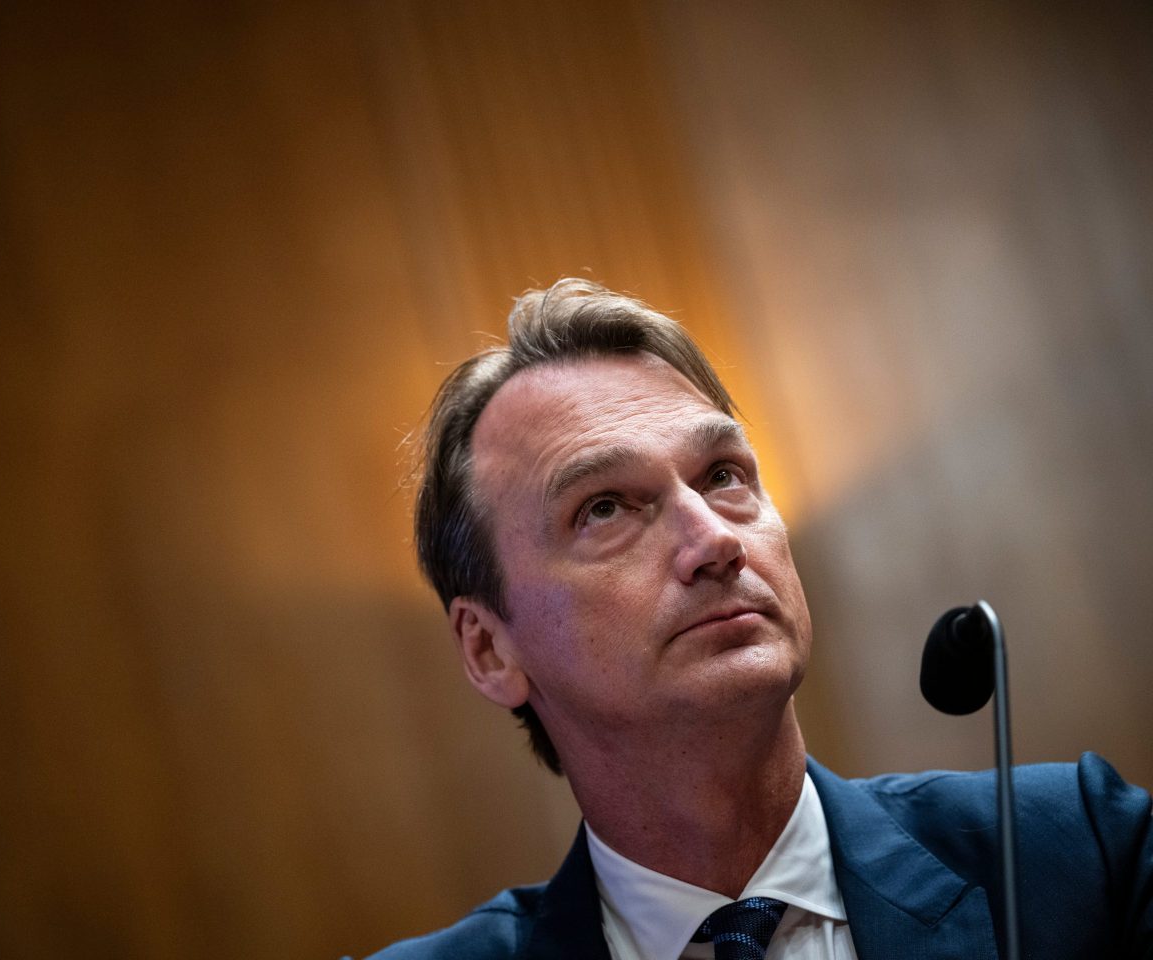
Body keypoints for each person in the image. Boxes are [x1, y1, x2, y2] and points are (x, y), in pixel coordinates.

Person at [359, 279, 1153, 959]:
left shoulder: (1079, 852)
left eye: (724, 476)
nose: (714, 541)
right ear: (490, 647)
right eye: (604, 508)